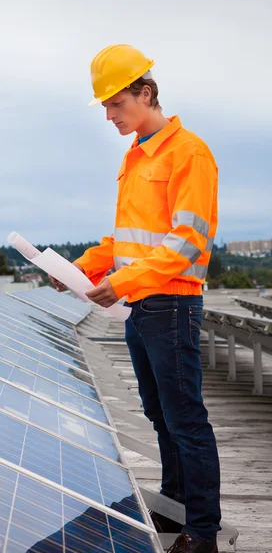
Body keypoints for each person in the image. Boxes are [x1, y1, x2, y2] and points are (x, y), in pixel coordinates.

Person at [51, 44, 221, 553]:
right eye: (105, 106)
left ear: (146, 93)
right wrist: (85, 266)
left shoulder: (188, 152)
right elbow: (128, 239)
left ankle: (203, 533)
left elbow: (187, 242)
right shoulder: (137, 156)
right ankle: (174, 508)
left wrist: (121, 283)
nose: (108, 115)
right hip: (142, 310)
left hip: (170, 306)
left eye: (115, 103)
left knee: (185, 418)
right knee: (159, 414)